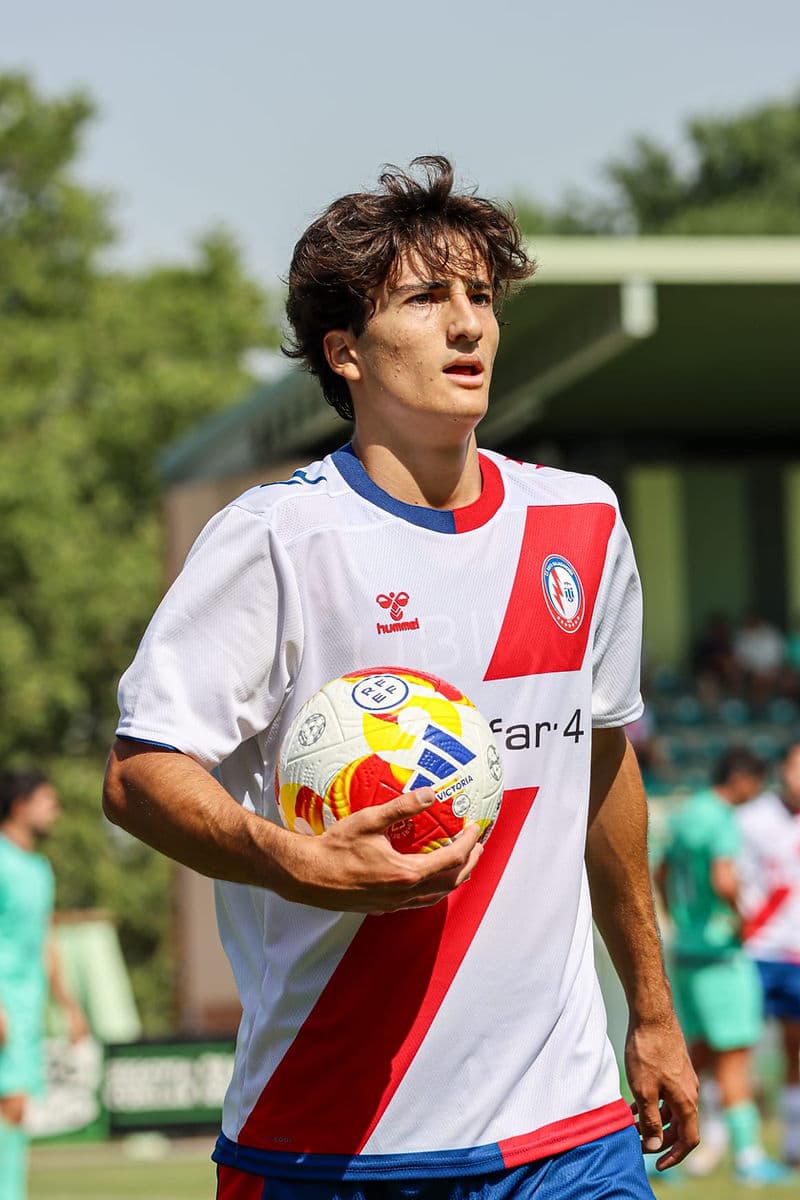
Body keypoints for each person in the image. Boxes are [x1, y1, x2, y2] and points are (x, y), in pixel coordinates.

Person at [103, 155, 697, 1200]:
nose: (466, 326)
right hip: (327, 1140)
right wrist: (294, 861)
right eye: (425, 299)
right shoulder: (278, 539)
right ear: (345, 354)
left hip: (563, 1133)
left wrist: (649, 1009)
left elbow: (600, 767)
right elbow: (141, 775)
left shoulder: (582, 523)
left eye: (479, 297)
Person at [655, 746, 794, 1185]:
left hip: (688, 952)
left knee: (694, 1056)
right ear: (743, 779)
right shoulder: (721, 818)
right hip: (720, 954)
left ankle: (655, 1148)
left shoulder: (685, 813)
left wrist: (678, 918)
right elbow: (723, 878)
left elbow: (659, 873)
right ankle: (750, 1156)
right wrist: (740, 916)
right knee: (735, 1057)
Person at [0, 770, 88, 1200]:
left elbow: (44, 940)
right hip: (3, 1005)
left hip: (25, 1006)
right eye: (46, 800)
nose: (55, 809)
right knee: (9, 1105)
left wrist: (68, 1006)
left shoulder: (38, 867)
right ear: (20, 805)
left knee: (14, 1110)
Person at [737, 740, 800, 1166]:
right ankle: (737, 1142)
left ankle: (794, 1140)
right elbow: (732, 875)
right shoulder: (752, 819)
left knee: (796, 1050)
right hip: (756, 950)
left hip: (796, 954)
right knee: (736, 1045)